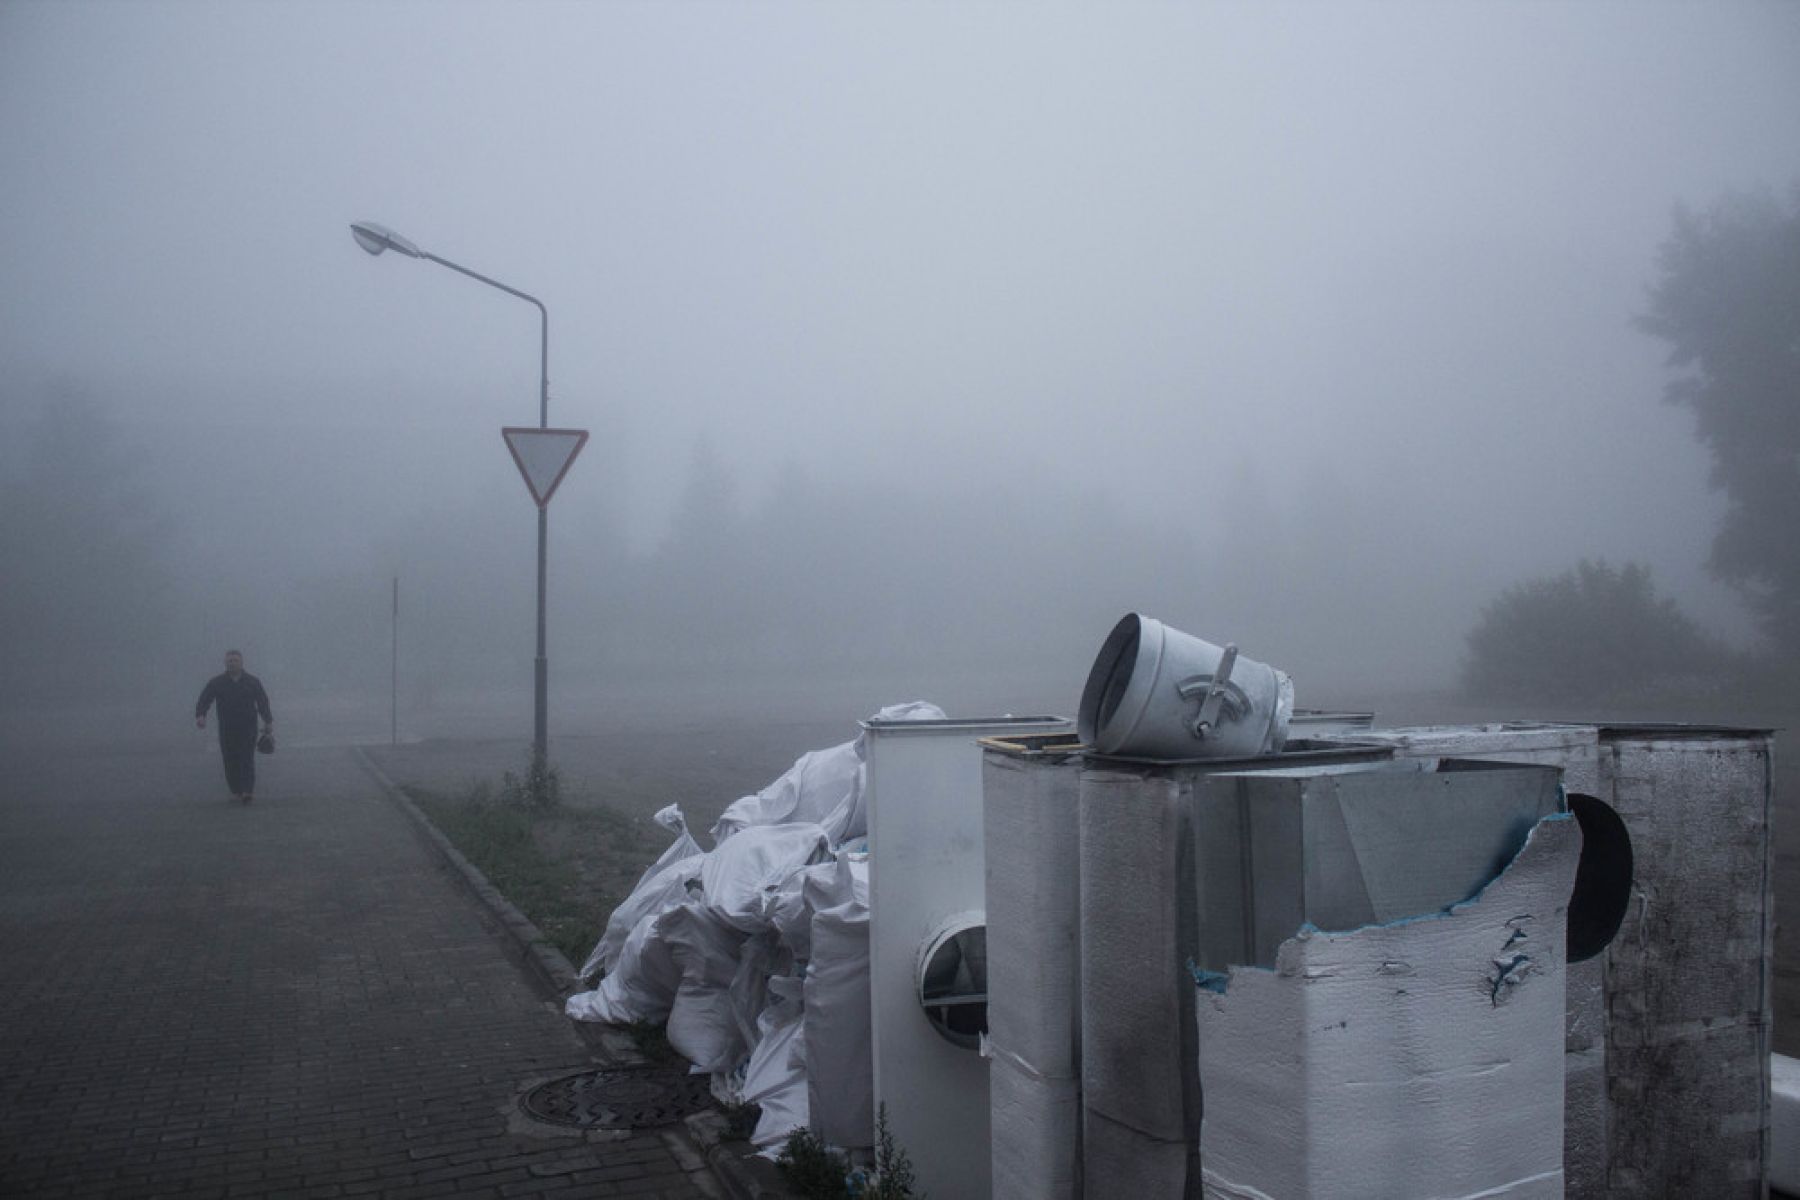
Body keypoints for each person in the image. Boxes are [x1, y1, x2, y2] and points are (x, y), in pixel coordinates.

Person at [195, 650, 273, 803]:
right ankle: (236, 790)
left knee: (247, 758)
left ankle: (247, 791)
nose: (232, 663)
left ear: (242, 663)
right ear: (225, 663)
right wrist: (201, 716)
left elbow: (263, 702)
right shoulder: (217, 682)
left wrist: (268, 721)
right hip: (226, 727)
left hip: (248, 727)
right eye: (230, 661)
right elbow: (204, 699)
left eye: (235, 660)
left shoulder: (252, 681)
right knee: (230, 759)